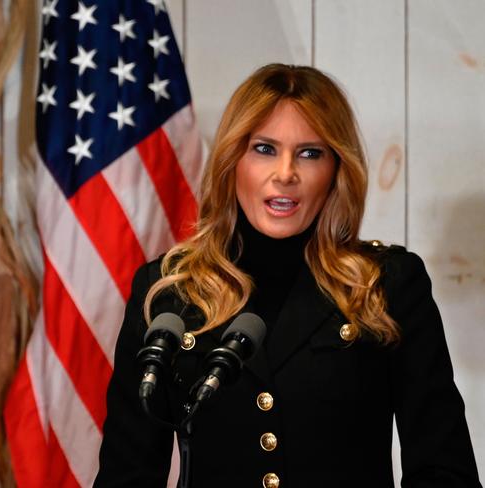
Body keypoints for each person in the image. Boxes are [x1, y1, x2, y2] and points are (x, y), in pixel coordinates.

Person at [94, 64, 482, 488]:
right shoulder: (169, 293)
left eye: (310, 153)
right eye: (264, 149)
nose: (285, 173)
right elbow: (126, 475)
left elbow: (445, 471)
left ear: (336, 169)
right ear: (231, 160)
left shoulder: (386, 286)